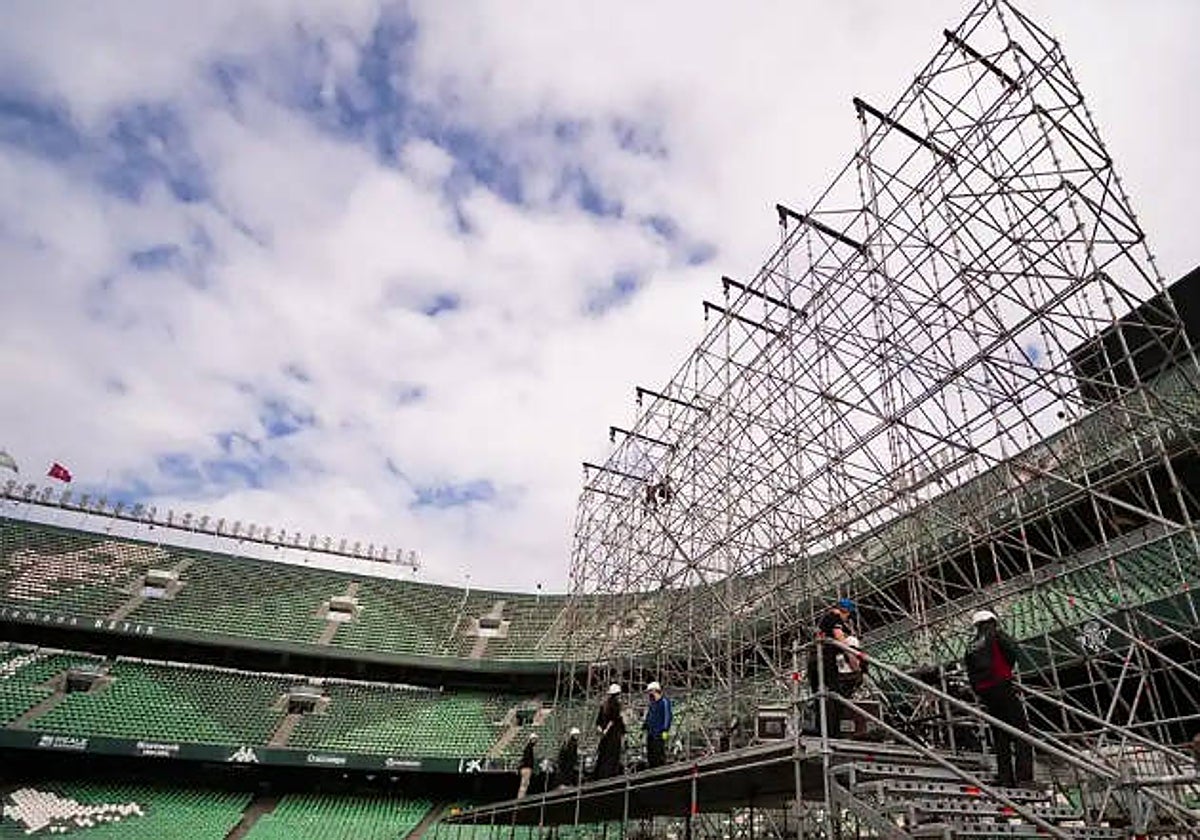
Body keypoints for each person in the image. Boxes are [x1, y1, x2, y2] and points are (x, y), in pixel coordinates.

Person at [963, 609, 1034, 788]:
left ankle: (1005, 777)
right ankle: (1024, 776)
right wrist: (1006, 672)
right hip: (1001, 685)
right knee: (1022, 732)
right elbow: (1011, 653)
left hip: (985, 692)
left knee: (1000, 734)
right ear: (992, 621)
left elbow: (970, 670)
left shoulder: (971, 645)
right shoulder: (996, 635)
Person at [807, 598, 856, 738]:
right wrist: (852, 655)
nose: (847, 618)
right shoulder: (834, 616)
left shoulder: (823, 619)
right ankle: (833, 731)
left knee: (819, 695)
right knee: (836, 694)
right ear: (845, 611)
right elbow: (839, 636)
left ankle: (820, 729)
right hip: (825, 659)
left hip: (814, 660)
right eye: (848, 615)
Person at [594, 683, 625, 780]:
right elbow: (614, 719)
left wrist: (601, 730)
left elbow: (598, 722)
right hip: (613, 735)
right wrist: (607, 729)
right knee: (612, 756)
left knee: (604, 755)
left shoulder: (604, 705)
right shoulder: (616, 704)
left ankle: (600, 775)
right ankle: (611, 775)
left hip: (605, 736)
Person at [642, 681, 672, 768]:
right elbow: (649, 716)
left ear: (655, 690)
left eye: (650, 691)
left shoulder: (664, 702)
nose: (649, 694)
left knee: (658, 753)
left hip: (659, 733)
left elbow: (667, 716)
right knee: (651, 754)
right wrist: (645, 725)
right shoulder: (653, 704)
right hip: (651, 733)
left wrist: (665, 730)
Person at [516, 733, 537, 799]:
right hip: (526, 768)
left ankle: (521, 796)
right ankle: (520, 798)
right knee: (524, 784)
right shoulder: (529, 748)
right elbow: (527, 759)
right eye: (535, 740)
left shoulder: (528, 748)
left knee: (525, 784)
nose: (536, 741)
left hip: (525, 768)